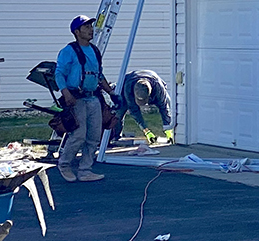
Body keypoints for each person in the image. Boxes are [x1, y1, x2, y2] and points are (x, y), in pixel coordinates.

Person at [55, 15, 113, 183]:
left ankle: (85, 170)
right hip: (76, 98)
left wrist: (111, 92)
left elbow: (99, 75)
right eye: (86, 27)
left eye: (90, 26)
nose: (90, 30)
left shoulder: (94, 51)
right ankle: (65, 165)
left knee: (94, 135)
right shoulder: (68, 51)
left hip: (93, 98)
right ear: (76, 32)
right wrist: (66, 93)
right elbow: (59, 73)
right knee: (78, 135)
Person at [113, 69, 173, 140]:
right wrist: (146, 131)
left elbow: (164, 108)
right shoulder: (128, 88)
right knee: (119, 113)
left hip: (153, 78)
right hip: (128, 82)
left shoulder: (158, 88)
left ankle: (171, 133)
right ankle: (115, 137)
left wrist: (168, 129)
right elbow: (134, 110)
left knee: (168, 103)